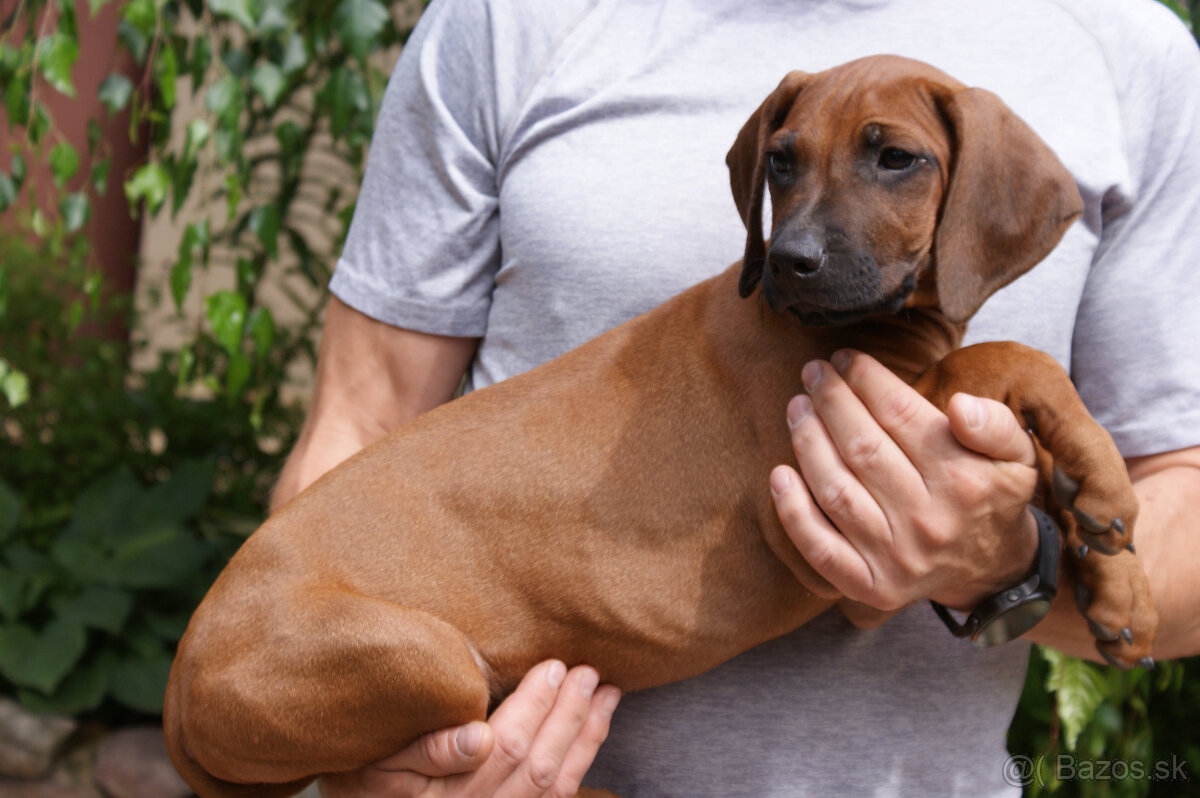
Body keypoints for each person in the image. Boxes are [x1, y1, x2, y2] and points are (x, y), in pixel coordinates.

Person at [269, 0, 1200, 795]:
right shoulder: (504, 20)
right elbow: (356, 429)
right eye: (783, 174)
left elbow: (1181, 507)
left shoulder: (1125, 52)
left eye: (893, 164)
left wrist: (1004, 563)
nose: (796, 238)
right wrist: (363, 751)